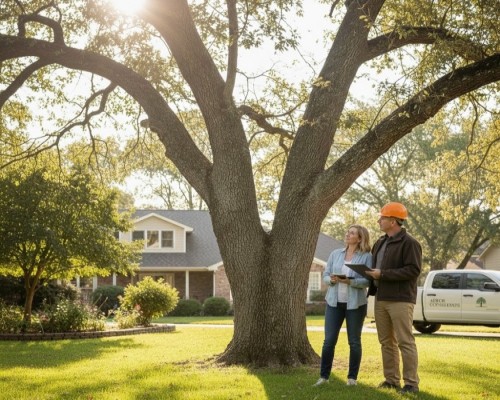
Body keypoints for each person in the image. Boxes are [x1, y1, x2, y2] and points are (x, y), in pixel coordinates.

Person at [365, 202, 422, 394]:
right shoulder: (380, 243)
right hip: (381, 297)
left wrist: (383, 274)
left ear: (393, 220)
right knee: (386, 342)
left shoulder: (410, 243)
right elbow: (377, 269)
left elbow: (413, 270)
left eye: (382, 218)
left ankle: (411, 384)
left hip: (400, 299)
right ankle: (391, 380)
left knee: (405, 341)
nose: (379, 220)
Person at [313, 224, 372, 387]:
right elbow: (326, 274)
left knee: (354, 342)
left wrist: (350, 281)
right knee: (329, 341)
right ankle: (323, 377)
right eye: (348, 232)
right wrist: (330, 280)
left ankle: (352, 378)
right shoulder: (335, 254)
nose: (347, 234)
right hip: (334, 303)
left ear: (359, 238)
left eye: (352, 233)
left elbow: (368, 281)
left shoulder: (366, 256)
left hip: (355, 305)